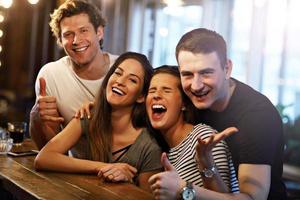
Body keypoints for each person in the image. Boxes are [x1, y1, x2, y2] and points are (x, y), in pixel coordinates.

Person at [151, 28, 286, 199]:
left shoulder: (257, 116)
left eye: (206, 73)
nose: (196, 85)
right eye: (187, 74)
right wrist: (205, 162)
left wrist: (184, 189)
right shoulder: (196, 100)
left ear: (227, 68)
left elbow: (252, 198)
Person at [34, 52, 162, 192]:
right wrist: (101, 167)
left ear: (141, 96)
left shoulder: (149, 146)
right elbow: (43, 158)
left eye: (132, 80)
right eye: (118, 73)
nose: (120, 81)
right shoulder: (88, 116)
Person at [29, 0, 118, 150]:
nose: (76, 41)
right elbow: (48, 149)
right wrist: (36, 119)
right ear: (60, 41)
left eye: (84, 31)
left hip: (124, 167)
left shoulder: (123, 69)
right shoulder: (50, 74)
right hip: (73, 167)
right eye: (68, 34)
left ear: (99, 32)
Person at [146, 66, 239, 199]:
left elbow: (224, 197)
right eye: (152, 90)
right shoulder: (162, 148)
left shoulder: (202, 136)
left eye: (166, 90)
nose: (156, 95)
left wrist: (204, 159)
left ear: (184, 104)